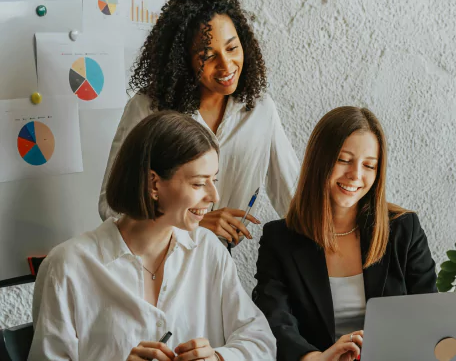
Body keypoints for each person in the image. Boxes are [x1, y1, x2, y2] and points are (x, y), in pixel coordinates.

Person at [29, 111, 276, 361]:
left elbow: (261, 342)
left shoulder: (207, 249)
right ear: (153, 183)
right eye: (199, 184)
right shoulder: (66, 267)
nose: (214, 197)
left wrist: (219, 358)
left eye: (214, 180)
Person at [99, 0, 299, 246]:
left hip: (218, 258)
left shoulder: (260, 110)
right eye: (208, 55)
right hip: (155, 254)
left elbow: (294, 200)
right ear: (183, 60)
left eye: (231, 48)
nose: (226, 65)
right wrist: (194, 221)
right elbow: (113, 208)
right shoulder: (147, 109)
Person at [252, 106, 437, 361]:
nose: (356, 175)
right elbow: (275, 321)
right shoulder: (279, 239)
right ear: (320, 160)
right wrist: (317, 358)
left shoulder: (404, 229)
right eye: (344, 160)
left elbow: (430, 316)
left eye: (369, 165)